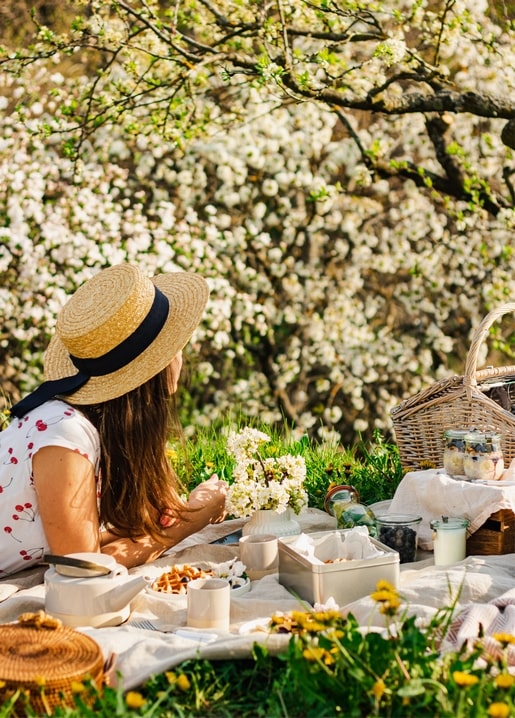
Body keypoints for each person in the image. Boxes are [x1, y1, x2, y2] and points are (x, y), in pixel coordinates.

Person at [0, 264, 228, 576]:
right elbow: (84, 569)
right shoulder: (63, 434)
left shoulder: (104, 429)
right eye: (175, 348)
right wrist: (195, 518)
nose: (180, 358)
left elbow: (99, 542)